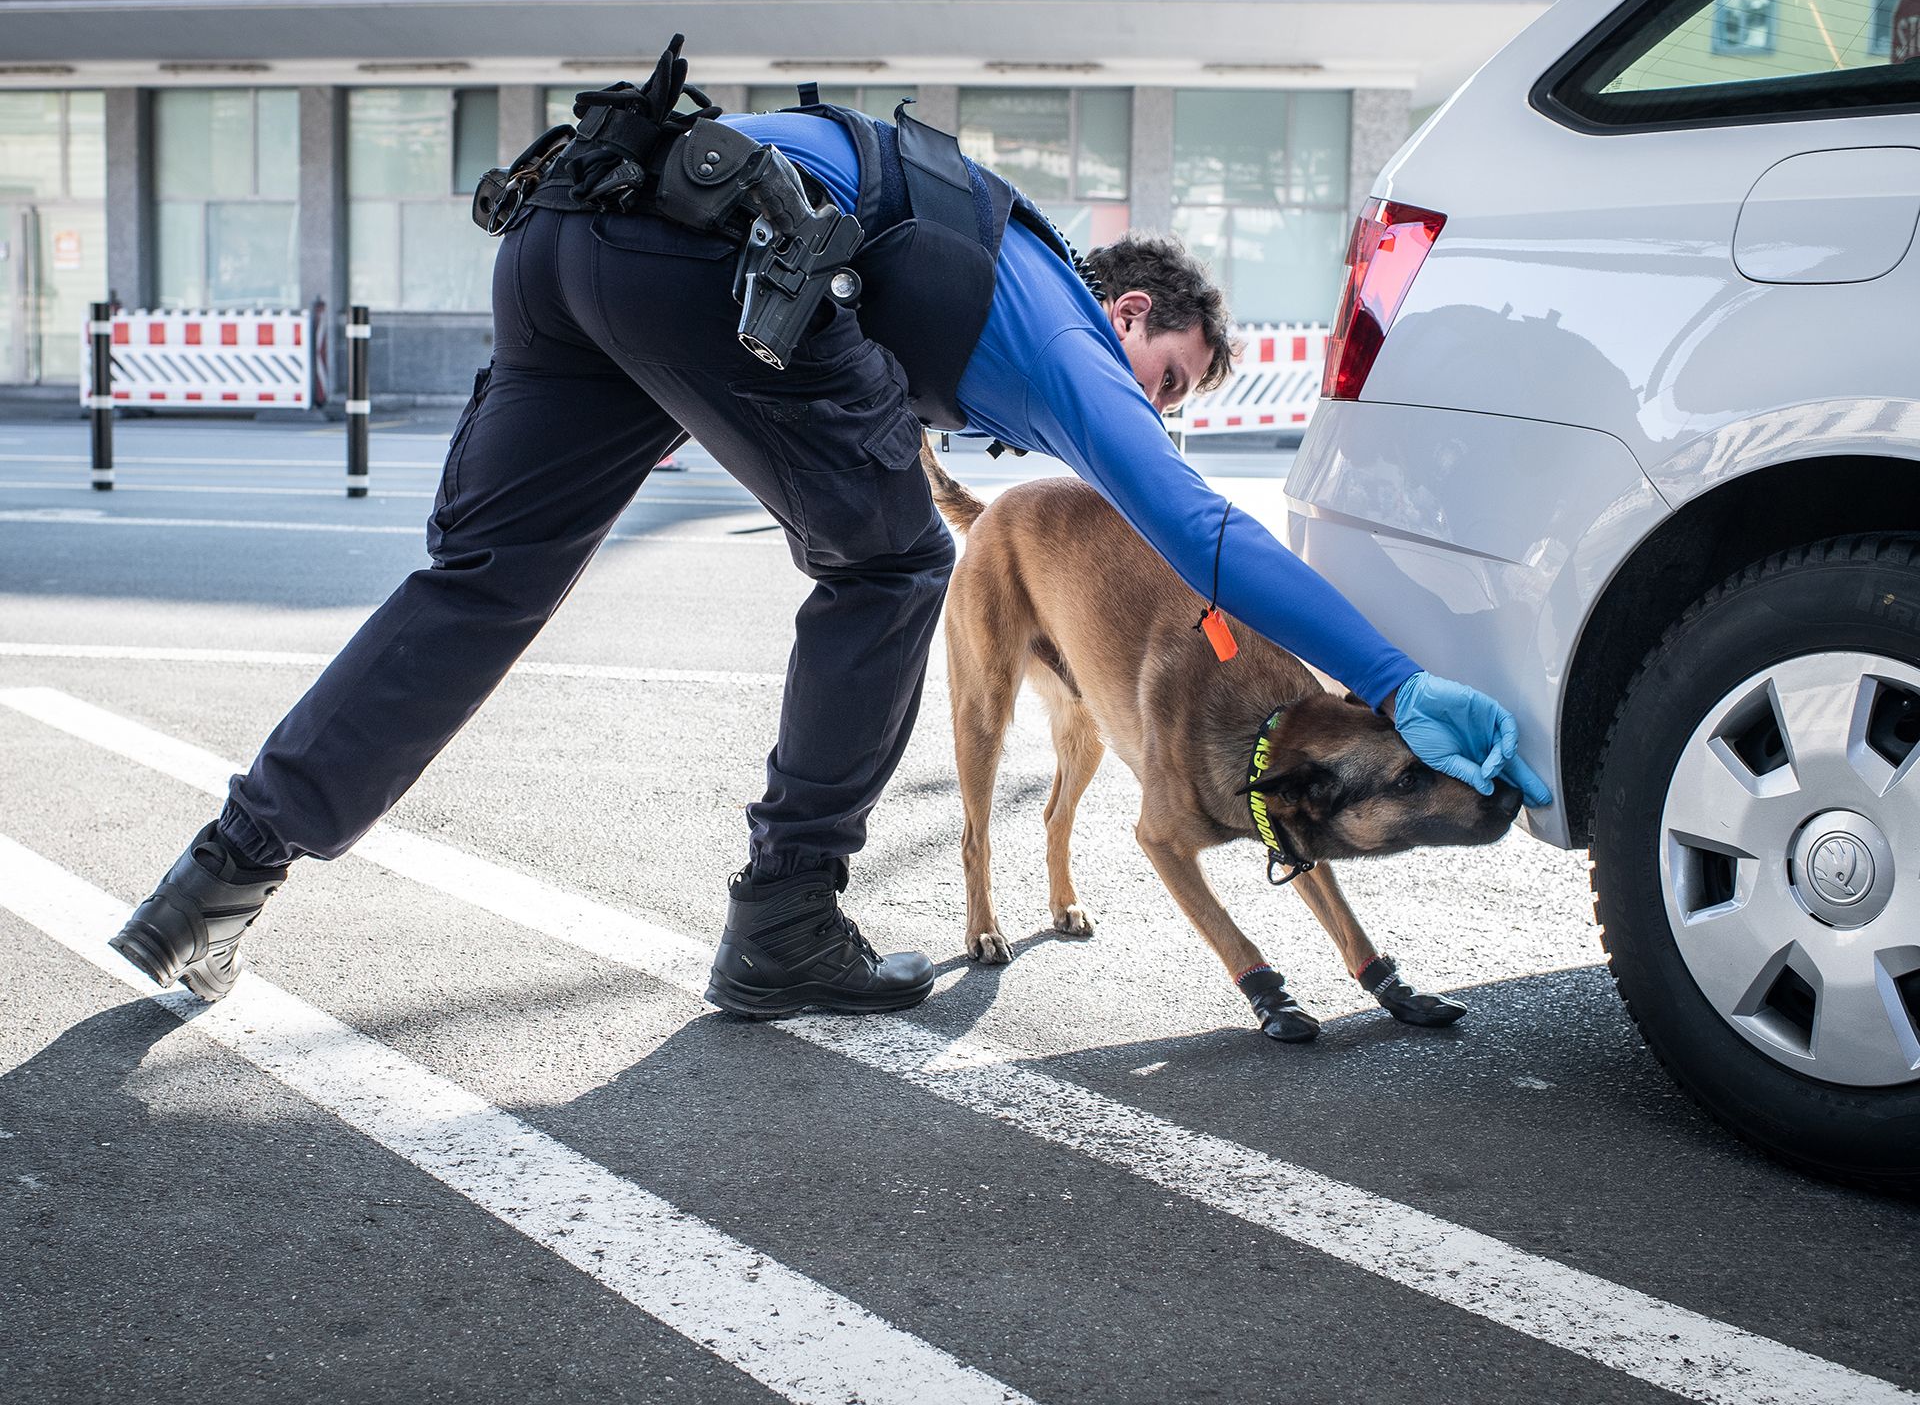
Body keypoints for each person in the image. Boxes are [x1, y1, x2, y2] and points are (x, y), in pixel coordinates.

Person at [108, 54, 1549, 1016]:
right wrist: (1396, 677)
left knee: (478, 586)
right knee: (898, 559)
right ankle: (788, 915)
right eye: (1163, 386)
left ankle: (222, 874)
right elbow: (1193, 527)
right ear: (1131, 323)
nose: (1145, 421)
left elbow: (741, 381)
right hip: (703, 248)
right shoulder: (1058, 327)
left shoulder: (956, 277)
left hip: (576, 229)